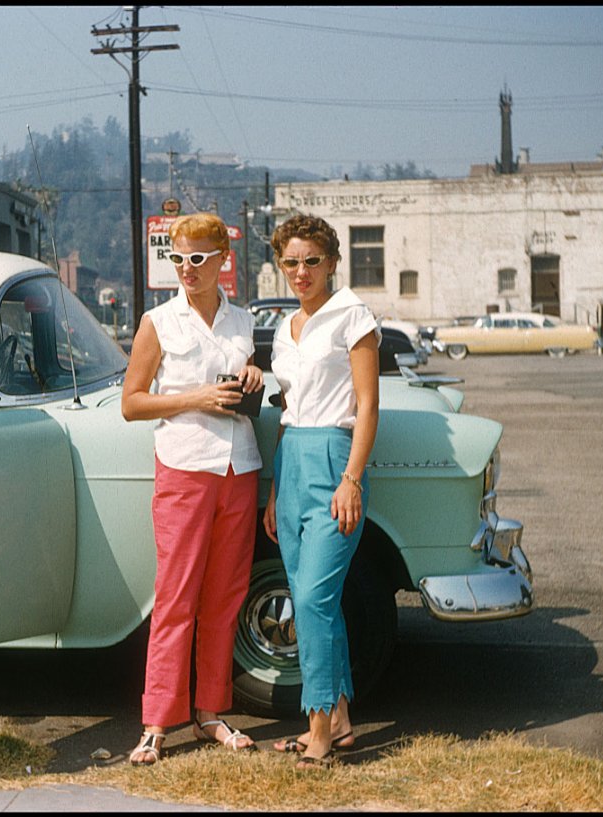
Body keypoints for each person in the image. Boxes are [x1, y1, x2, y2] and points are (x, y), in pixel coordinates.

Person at [120, 212, 265, 766]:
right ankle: (156, 723)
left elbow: (243, 383)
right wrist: (194, 399)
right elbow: (133, 403)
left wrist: (252, 376)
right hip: (183, 468)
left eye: (198, 259)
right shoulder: (158, 321)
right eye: (177, 258)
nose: (186, 269)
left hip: (238, 466)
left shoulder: (242, 321)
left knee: (225, 598)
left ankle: (210, 713)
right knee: (176, 597)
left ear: (223, 260)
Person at [261, 214, 380, 770]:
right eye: (291, 261)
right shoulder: (285, 329)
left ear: (332, 262)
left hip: (335, 460)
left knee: (311, 601)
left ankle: (318, 734)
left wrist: (352, 479)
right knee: (314, 599)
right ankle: (343, 721)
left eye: (312, 260)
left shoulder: (351, 316)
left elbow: (367, 405)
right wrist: (273, 491)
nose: (301, 271)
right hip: (291, 464)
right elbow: (287, 411)